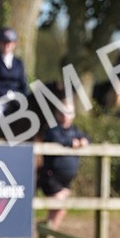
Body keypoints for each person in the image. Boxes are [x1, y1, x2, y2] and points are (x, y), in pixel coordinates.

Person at [37, 93, 90, 228]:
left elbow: (87, 138)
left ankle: (44, 236)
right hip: (52, 178)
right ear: (57, 113)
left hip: (66, 181)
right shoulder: (53, 130)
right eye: (63, 112)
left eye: (69, 113)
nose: (66, 116)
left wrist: (84, 141)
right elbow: (57, 140)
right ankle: (45, 236)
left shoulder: (74, 130)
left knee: (57, 211)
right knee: (60, 208)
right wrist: (71, 143)